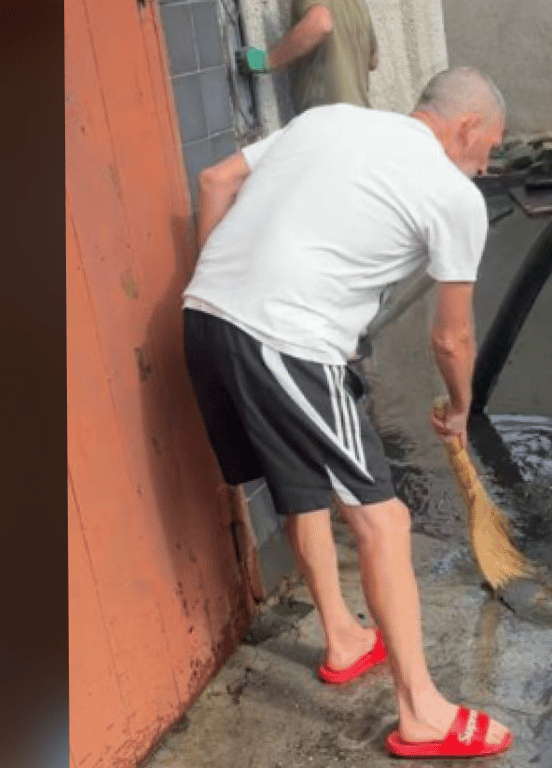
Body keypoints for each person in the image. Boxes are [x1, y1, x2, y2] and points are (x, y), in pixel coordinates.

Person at [181, 67, 511, 759]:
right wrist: (460, 406)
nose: (484, 167)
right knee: (382, 519)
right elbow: (451, 338)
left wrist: (215, 286)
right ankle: (421, 711)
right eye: (489, 150)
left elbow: (215, 181)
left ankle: (343, 634)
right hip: (287, 340)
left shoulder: (330, 119)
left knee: (300, 485)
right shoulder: (453, 194)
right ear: (467, 127)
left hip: (204, 319)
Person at [257, 0, 379, 111]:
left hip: (329, 117)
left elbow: (320, 23)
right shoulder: (359, 4)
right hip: (361, 115)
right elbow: (373, 59)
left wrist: (267, 60)